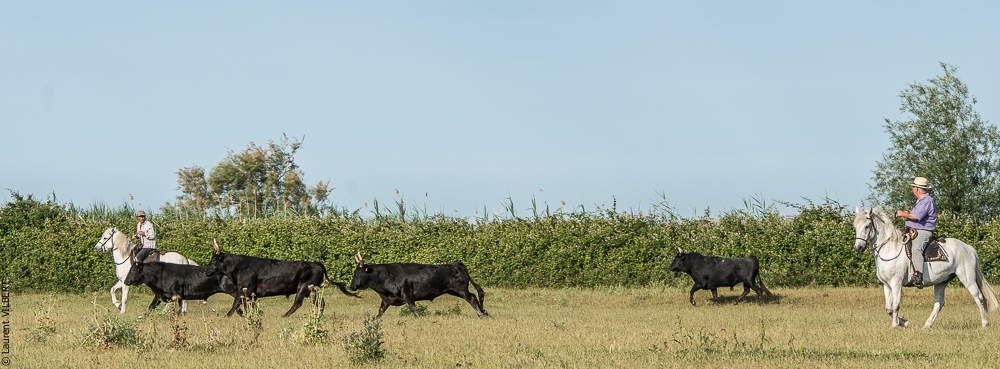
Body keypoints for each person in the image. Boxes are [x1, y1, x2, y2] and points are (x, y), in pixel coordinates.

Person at [895, 177, 937, 289]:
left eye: (914, 187)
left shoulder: (926, 200)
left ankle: (918, 275)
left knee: (916, 248)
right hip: (914, 229)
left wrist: (903, 214)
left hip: (923, 231)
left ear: (917, 189)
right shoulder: (921, 201)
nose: (913, 189)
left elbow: (916, 216)